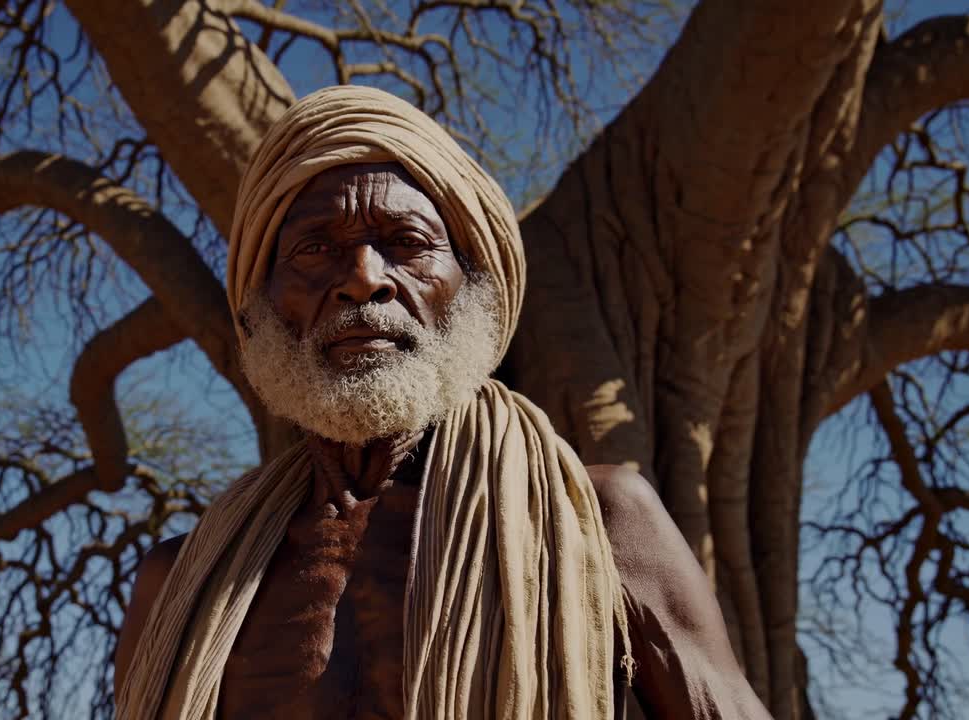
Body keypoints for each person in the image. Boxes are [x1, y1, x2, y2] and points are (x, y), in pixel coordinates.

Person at [114, 85, 771, 720]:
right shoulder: (181, 582)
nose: (365, 280)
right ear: (260, 305)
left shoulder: (599, 525)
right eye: (316, 250)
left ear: (472, 285)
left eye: (406, 244)